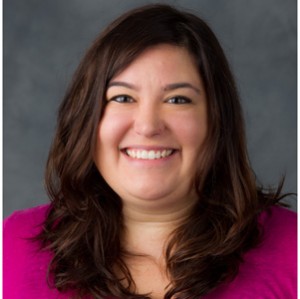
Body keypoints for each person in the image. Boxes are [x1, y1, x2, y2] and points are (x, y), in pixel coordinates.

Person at [3, 4, 296, 299]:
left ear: (217, 121)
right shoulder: (13, 247)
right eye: (122, 97)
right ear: (87, 118)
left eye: (178, 100)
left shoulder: (292, 252)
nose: (147, 125)